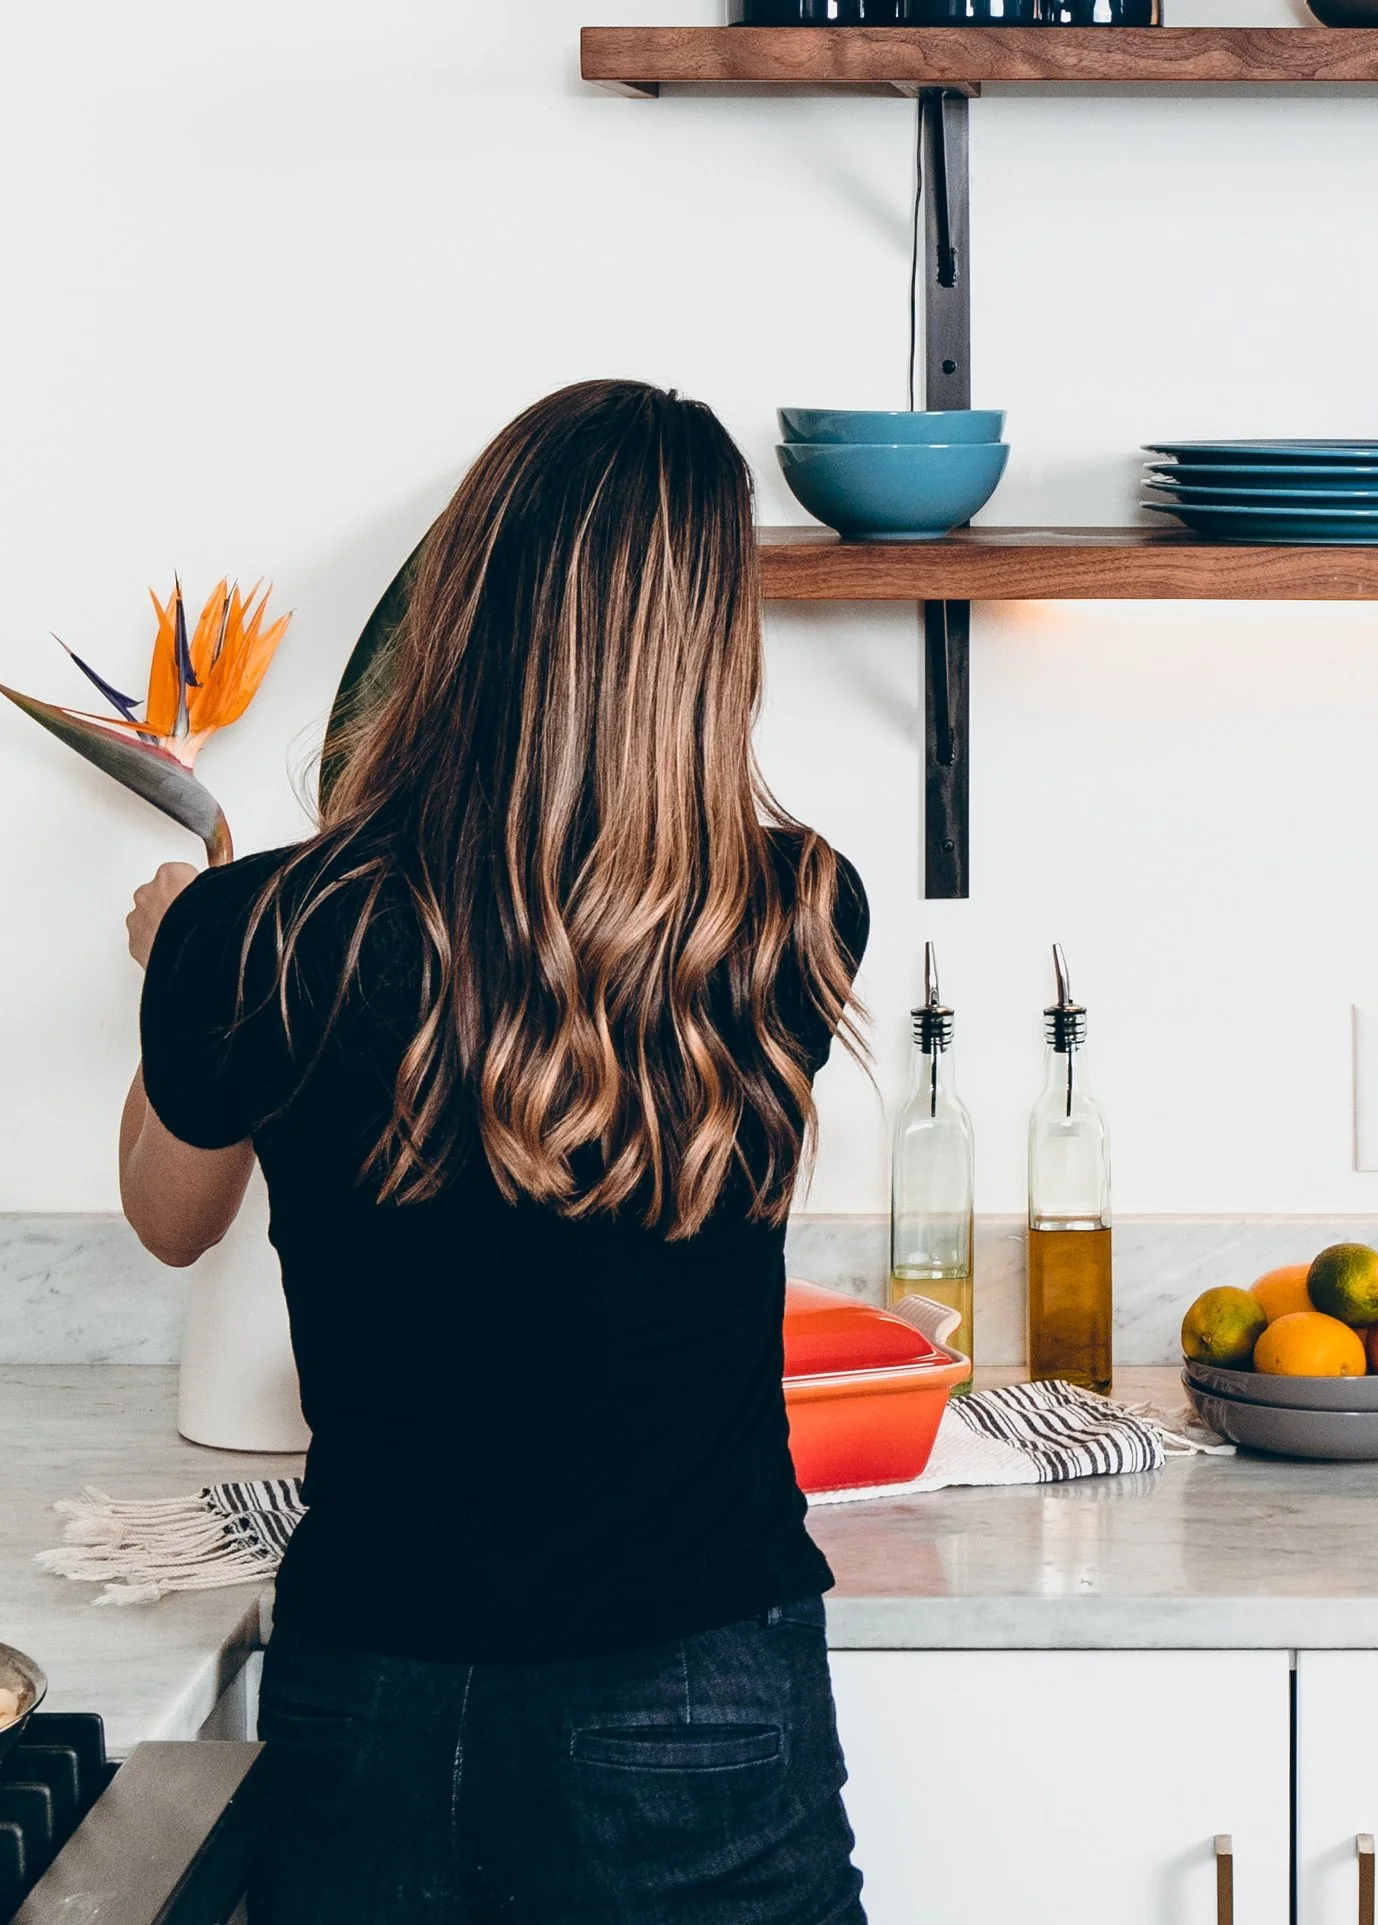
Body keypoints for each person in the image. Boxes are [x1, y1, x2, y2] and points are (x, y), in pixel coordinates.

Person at [121, 381, 873, 1924]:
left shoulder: (259, 930)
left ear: (456, 601)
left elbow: (167, 1217)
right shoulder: (796, 914)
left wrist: (177, 972)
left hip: (376, 1688)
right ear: (711, 650)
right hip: (699, 1685)